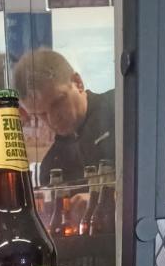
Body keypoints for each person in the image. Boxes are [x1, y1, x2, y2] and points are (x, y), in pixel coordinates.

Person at [13, 48, 115, 187]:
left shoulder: (123, 107)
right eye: (41, 114)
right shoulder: (51, 169)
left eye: (58, 102)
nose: (53, 119)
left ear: (77, 82)